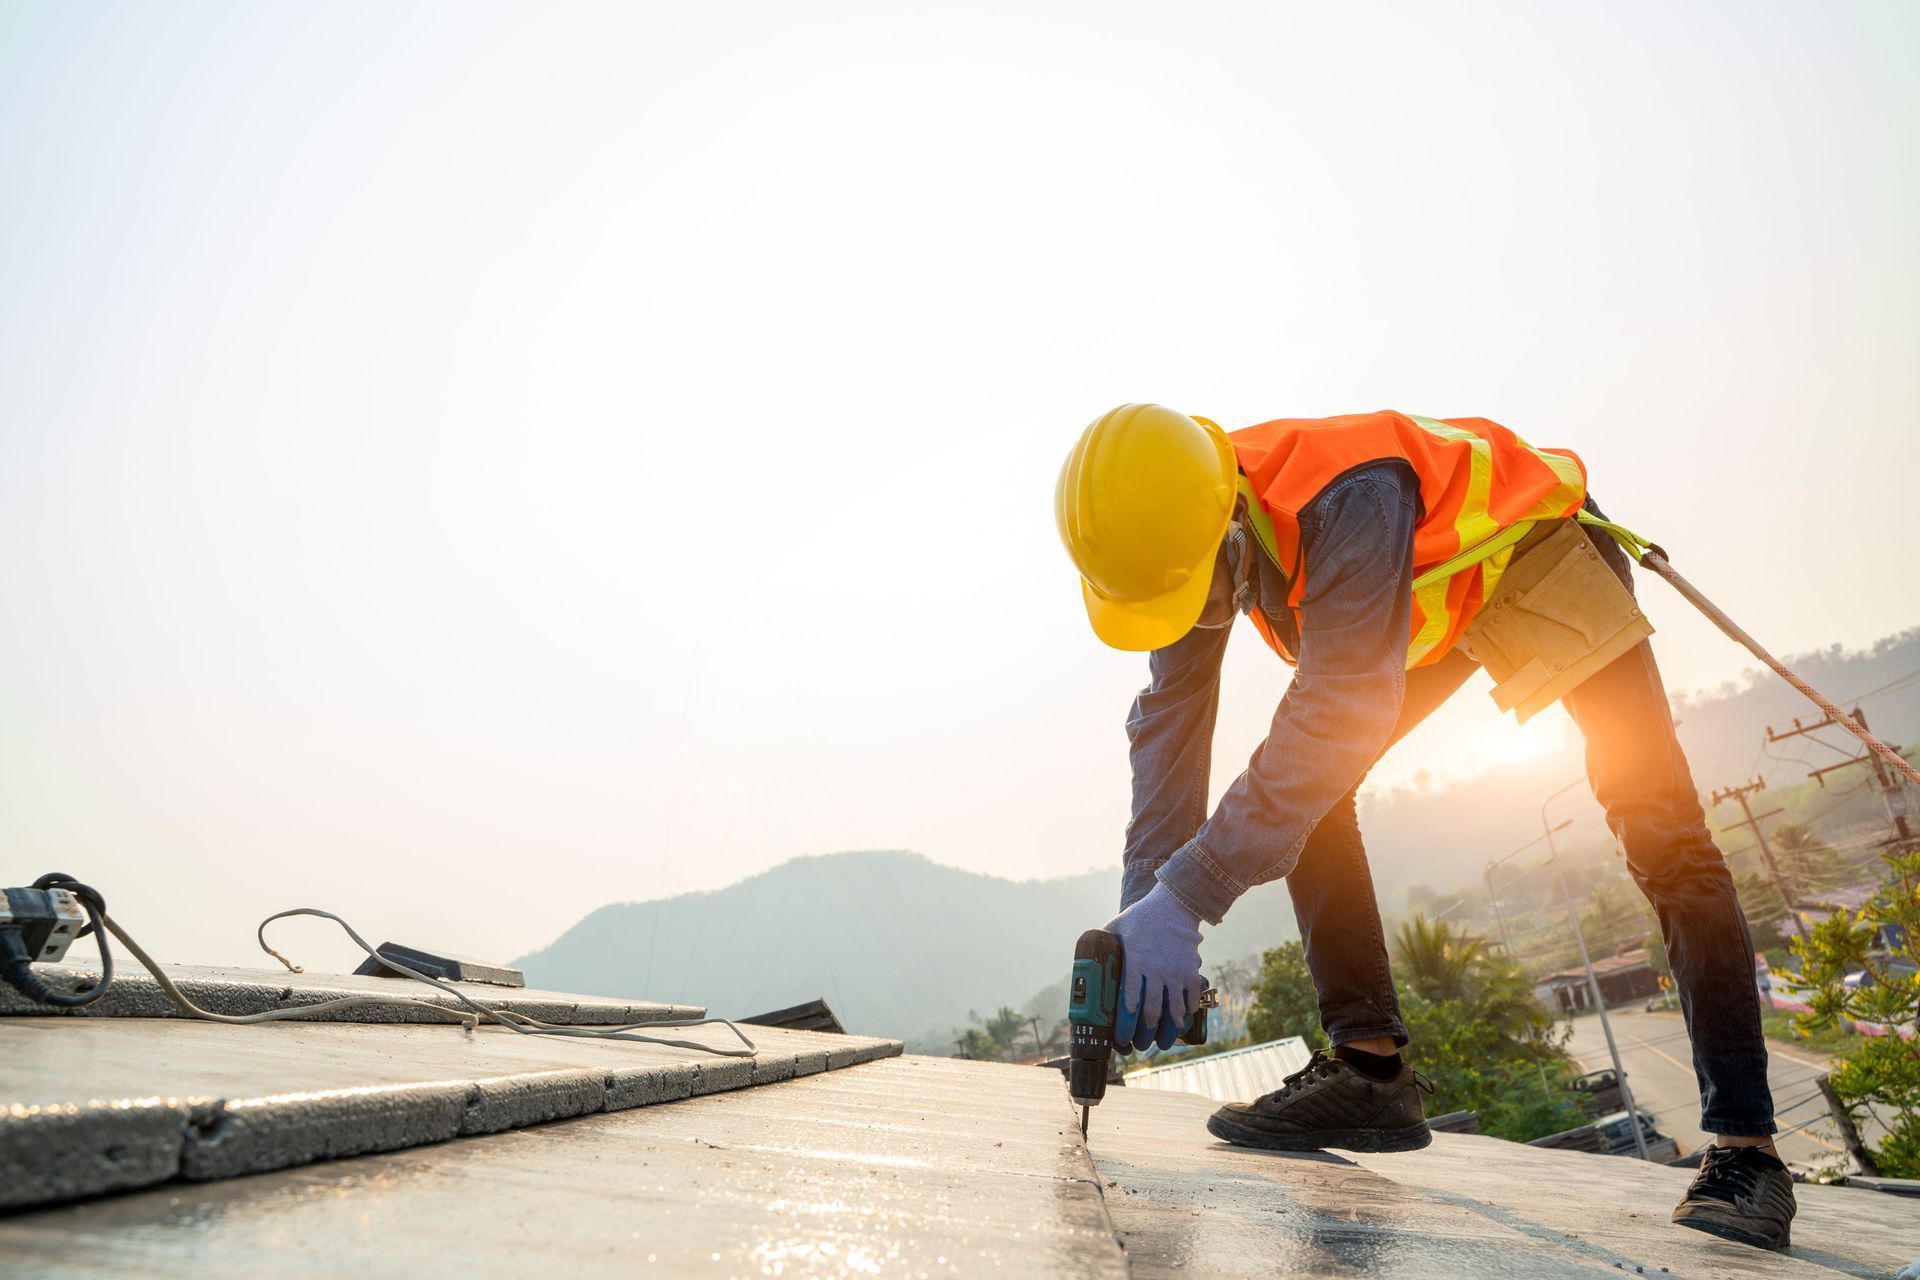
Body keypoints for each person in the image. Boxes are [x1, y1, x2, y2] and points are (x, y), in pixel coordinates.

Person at [1055, 404, 1796, 1250]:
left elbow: (1339, 712)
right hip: (1426, 587)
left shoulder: (1345, 496)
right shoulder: (1174, 540)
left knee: (1661, 832)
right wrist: (1139, 922)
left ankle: (1748, 1152)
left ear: (1226, 528)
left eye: (1204, 593)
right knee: (1311, 799)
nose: (1199, 617)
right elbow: (1167, 732)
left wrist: (1188, 898)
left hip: (1535, 553)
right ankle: (1371, 1073)